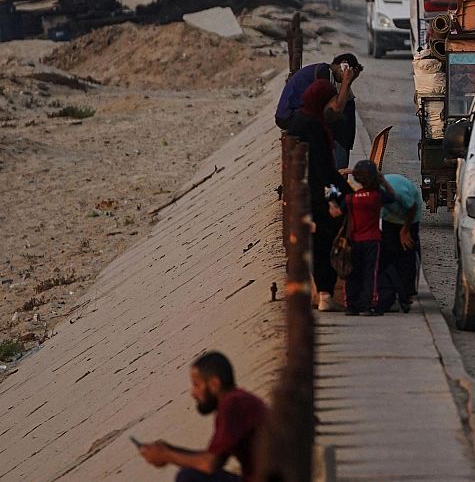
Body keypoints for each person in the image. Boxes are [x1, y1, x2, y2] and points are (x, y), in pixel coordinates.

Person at [137, 351, 267, 482]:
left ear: (214, 384)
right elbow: (213, 457)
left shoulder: (232, 406)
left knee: (189, 477)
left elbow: (210, 464)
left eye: (197, 385)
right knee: (191, 474)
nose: (193, 393)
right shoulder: (237, 400)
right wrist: (169, 450)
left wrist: (166, 455)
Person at [282, 78, 351, 310]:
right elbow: (323, 171)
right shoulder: (312, 125)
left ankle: (318, 293)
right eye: (330, 100)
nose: (332, 105)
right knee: (327, 240)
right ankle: (325, 295)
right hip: (318, 195)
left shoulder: (302, 120)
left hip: (303, 191)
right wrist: (334, 197)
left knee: (312, 243)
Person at [332, 160, 395, 316]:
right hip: (373, 240)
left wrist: (332, 192)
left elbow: (336, 212)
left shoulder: (350, 199)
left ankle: (352, 305)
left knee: (353, 273)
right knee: (370, 273)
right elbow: (392, 196)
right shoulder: (377, 196)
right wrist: (382, 180)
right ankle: (368, 304)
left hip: (353, 240)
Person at [374, 171, 423, 315]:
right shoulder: (374, 192)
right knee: (389, 251)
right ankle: (391, 290)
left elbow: (412, 207)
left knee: (406, 252)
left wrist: (405, 230)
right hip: (390, 217)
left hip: (409, 218)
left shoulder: (398, 194)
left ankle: (407, 293)